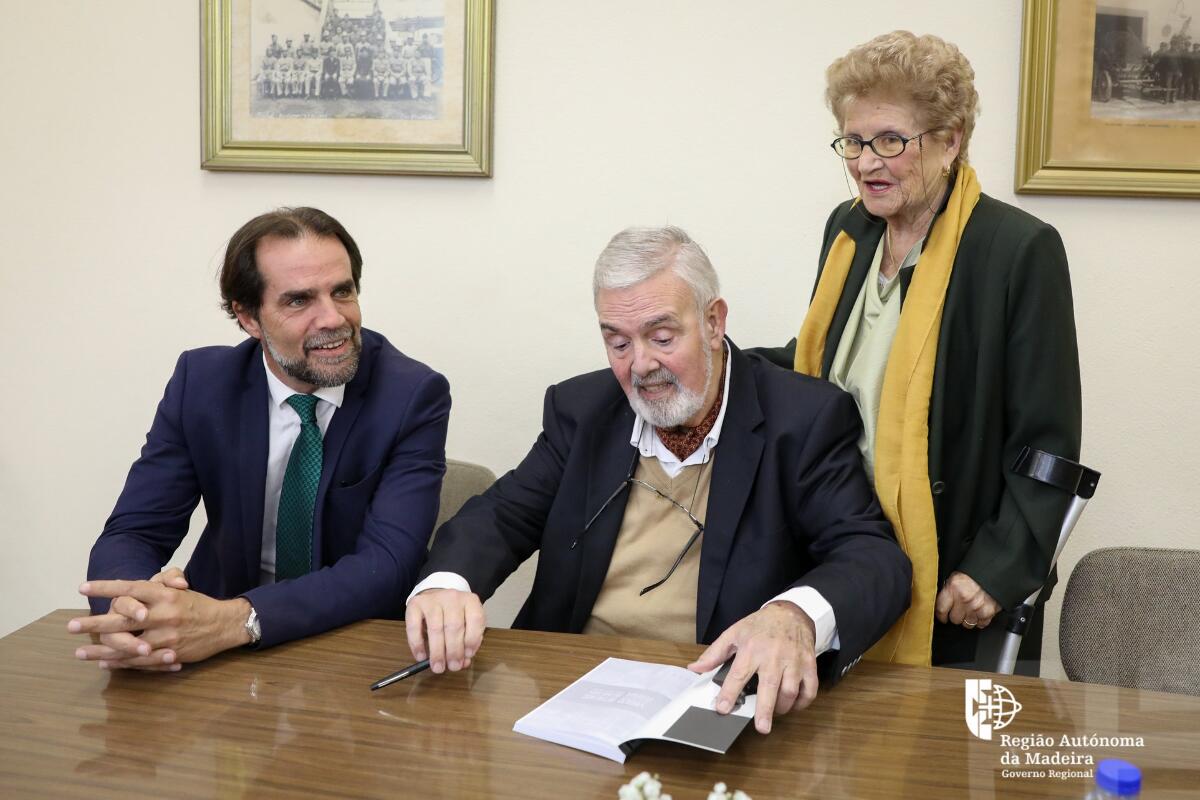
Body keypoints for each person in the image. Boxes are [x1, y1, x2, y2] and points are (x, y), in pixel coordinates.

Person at [407, 226, 911, 735]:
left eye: (662, 337)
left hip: (714, 696)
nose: (641, 365)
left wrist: (795, 615)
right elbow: (503, 515)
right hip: (572, 686)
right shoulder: (583, 410)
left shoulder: (801, 418)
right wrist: (448, 583)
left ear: (714, 322)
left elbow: (872, 556)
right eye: (618, 342)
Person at [758, 31, 1080, 674]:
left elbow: (1048, 440)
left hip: (952, 581)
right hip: (840, 555)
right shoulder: (848, 230)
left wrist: (997, 567)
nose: (865, 162)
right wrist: (716, 361)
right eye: (853, 141)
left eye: (890, 141)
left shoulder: (1017, 251)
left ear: (950, 140)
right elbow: (827, 364)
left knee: (939, 772)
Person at [68, 208, 451, 670]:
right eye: (299, 300)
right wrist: (133, 615)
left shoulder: (411, 395)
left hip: (349, 644)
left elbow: (386, 566)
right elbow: (135, 530)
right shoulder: (203, 383)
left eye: (342, 291)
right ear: (248, 318)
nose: (332, 318)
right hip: (209, 648)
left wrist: (236, 621)